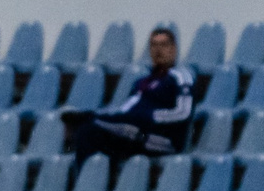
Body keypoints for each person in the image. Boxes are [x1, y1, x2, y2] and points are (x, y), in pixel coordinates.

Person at [63, 26, 194, 167]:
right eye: (154, 45)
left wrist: (149, 116)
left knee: (91, 128)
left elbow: (183, 113)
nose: (158, 50)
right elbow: (125, 112)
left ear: (173, 49)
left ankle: (89, 119)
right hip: (134, 132)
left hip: (160, 140)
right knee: (89, 132)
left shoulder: (180, 77)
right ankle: (90, 183)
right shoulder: (143, 82)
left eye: (163, 45)